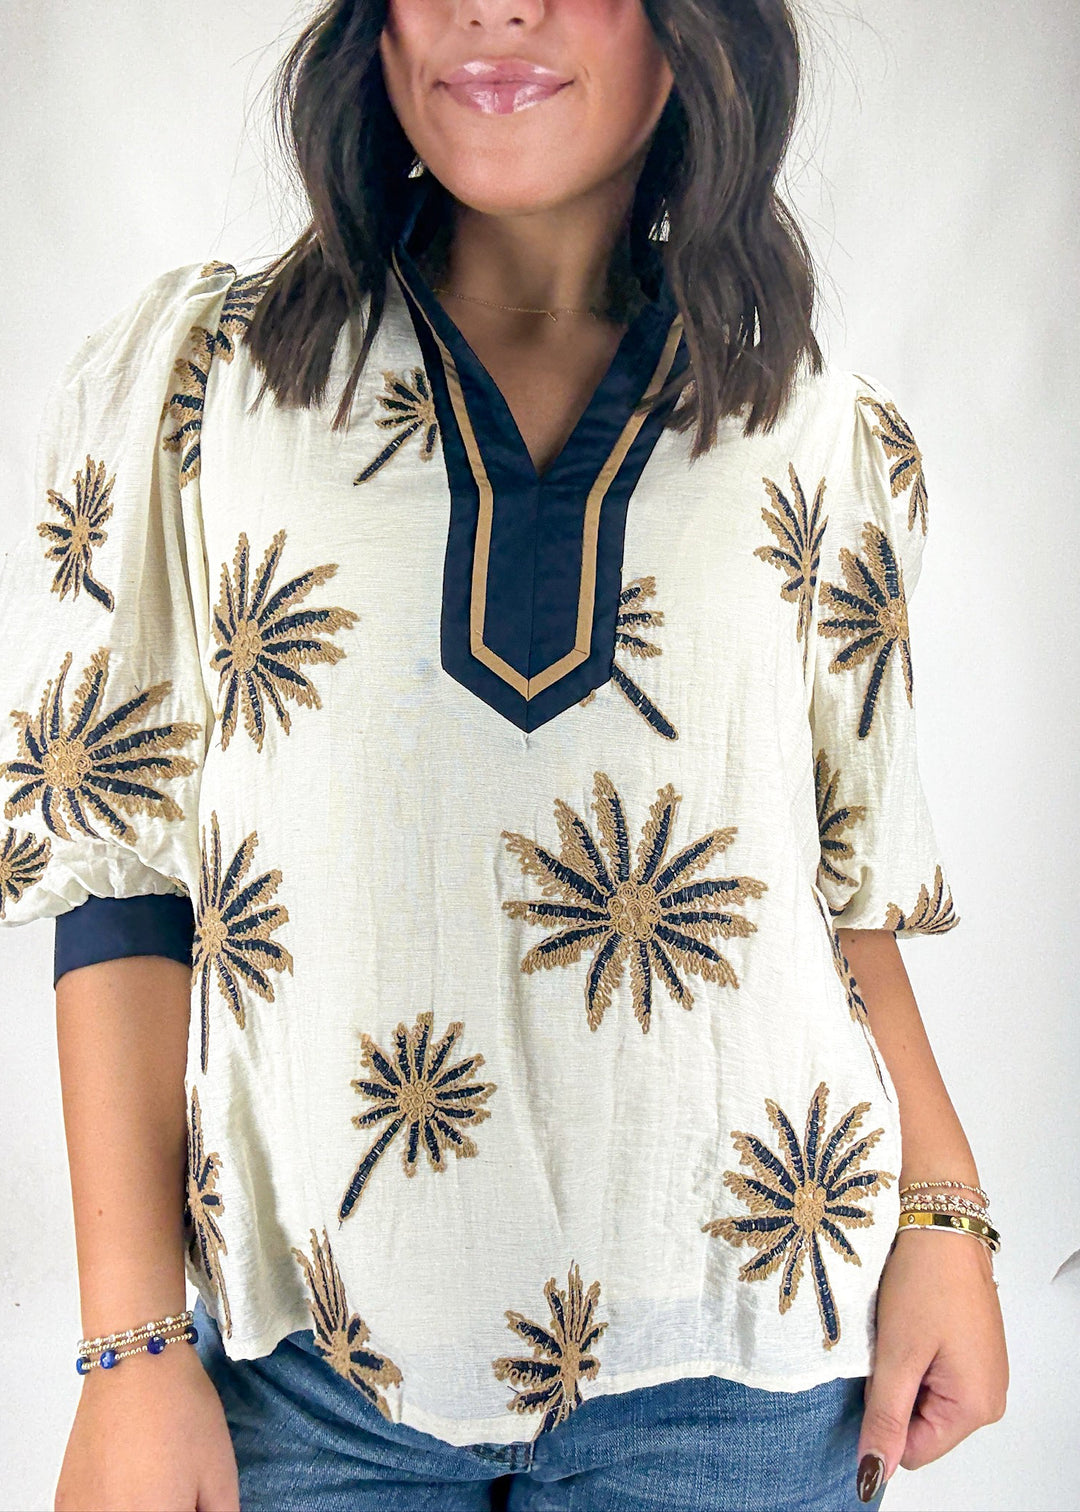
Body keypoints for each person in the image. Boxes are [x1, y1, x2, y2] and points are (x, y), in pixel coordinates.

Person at [0, 2, 1008, 1509]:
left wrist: (945, 1213)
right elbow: (124, 877)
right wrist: (129, 1348)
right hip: (309, 1385)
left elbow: (838, 886)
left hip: (744, 1367)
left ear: (697, 31)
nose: (494, 9)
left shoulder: (812, 426)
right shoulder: (208, 388)